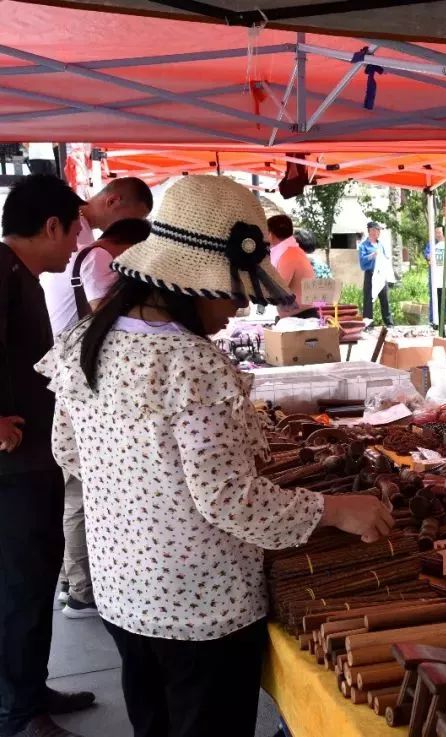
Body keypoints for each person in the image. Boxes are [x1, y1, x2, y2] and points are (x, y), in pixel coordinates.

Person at [36, 176, 393, 737]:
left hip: (123, 588)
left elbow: (68, 453)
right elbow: (230, 500)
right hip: (200, 606)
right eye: (234, 288)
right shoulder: (193, 363)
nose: (242, 303)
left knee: (152, 722)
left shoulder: (88, 337)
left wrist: (143, 493)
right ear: (189, 284)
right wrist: (336, 509)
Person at [0, 175, 95, 737]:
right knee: (23, 586)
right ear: (52, 225)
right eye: (75, 231)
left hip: (34, 457)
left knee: (31, 584)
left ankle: (29, 689)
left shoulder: (19, 275)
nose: (77, 245)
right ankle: (19, 716)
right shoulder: (0, 270)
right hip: (16, 464)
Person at [41, 177, 153, 621]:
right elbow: (113, 323)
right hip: (84, 384)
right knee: (81, 490)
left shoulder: (83, 248)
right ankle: (81, 588)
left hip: (69, 378)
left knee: (77, 485)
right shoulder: (101, 258)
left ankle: (74, 580)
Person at [267, 215, 317, 319]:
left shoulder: (289, 255)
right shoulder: (290, 251)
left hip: (302, 319)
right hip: (297, 318)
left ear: (271, 235)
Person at [358, 221, 392, 326]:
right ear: (371, 231)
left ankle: (389, 323)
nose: (378, 232)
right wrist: (372, 255)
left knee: (385, 299)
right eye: (377, 230)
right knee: (368, 299)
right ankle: (368, 324)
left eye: (379, 231)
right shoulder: (363, 246)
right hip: (370, 274)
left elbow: (386, 258)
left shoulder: (380, 244)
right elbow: (362, 263)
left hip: (381, 275)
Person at [428, 227, 446, 334]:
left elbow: (431, 263)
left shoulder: (436, 247)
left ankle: (442, 333)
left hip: (437, 282)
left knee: (440, 309)